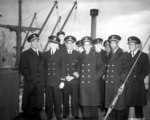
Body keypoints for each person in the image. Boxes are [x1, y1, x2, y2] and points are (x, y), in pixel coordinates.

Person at [76, 36, 104, 120]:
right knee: (85, 108)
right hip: (84, 85)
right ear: (83, 46)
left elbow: (102, 67)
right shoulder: (81, 55)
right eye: (85, 45)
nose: (86, 46)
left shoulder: (96, 55)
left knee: (93, 107)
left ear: (91, 45)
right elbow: (78, 67)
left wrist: (96, 78)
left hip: (93, 85)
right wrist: (76, 73)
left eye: (88, 45)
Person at [19, 33, 44, 120]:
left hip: (40, 84)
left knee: (38, 103)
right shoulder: (25, 54)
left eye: (37, 41)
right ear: (30, 43)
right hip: (30, 84)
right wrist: (30, 78)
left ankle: (37, 116)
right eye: (33, 41)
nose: (36, 43)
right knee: (29, 103)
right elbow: (22, 69)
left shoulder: (42, 55)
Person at [105, 35, 129, 120]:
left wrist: (121, 84)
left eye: (114, 42)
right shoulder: (109, 54)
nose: (112, 44)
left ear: (118, 43)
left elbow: (126, 71)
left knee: (119, 107)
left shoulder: (123, 54)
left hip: (118, 84)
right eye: (111, 42)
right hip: (110, 85)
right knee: (111, 107)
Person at [126, 36, 149, 120]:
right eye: (129, 44)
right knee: (127, 106)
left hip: (138, 85)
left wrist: (137, 78)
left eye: (132, 44)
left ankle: (140, 118)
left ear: (137, 45)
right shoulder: (126, 55)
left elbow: (146, 71)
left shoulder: (143, 56)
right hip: (128, 85)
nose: (130, 46)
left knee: (138, 107)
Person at [43, 35, 66, 120]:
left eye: (55, 43)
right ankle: (49, 116)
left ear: (57, 44)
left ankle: (58, 116)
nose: (53, 45)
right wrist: (44, 81)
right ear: (49, 43)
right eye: (51, 43)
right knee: (48, 101)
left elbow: (63, 68)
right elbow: (44, 69)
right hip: (48, 82)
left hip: (57, 82)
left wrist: (62, 81)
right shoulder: (45, 54)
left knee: (57, 100)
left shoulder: (61, 53)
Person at [62, 35, 80, 119]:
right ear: (65, 44)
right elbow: (60, 66)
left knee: (75, 98)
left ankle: (75, 113)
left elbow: (79, 67)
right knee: (65, 97)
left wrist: (73, 76)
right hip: (65, 79)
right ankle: (65, 113)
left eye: (71, 43)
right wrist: (65, 76)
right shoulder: (61, 54)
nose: (70, 45)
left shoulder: (77, 54)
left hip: (74, 80)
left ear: (73, 44)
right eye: (68, 43)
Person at [93, 38, 106, 112]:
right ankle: (96, 105)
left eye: (99, 44)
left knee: (102, 92)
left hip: (103, 76)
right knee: (95, 91)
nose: (98, 45)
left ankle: (102, 106)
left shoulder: (105, 53)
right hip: (94, 76)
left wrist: (104, 74)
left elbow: (107, 65)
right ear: (94, 45)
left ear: (101, 45)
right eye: (96, 44)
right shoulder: (92, 53)